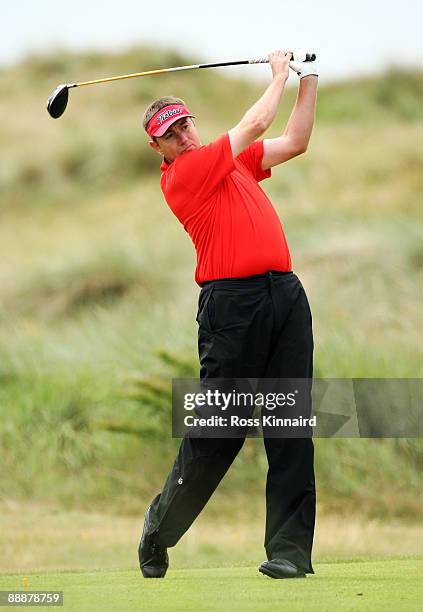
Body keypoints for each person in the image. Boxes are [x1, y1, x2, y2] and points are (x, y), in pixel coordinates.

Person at [138, 50, 318, 580]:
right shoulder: (186, 174)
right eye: (172, 134)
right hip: (231, 310)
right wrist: (280, 73)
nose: (185, 136)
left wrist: (309, 77)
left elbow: (296, 141)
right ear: (159, 148)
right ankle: (159, 528)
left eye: (186, 123)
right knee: (221, 432)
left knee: (290, 423)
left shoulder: (228, 159)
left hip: (284, 296)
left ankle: (289, 553)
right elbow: (258, 121)